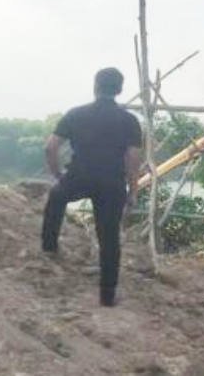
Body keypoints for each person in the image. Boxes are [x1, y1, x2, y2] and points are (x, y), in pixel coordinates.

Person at [41, 68, 142, 307]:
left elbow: (50, 147)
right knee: (109, 237)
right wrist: (133, 191)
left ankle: (49, 249)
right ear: (119, 90)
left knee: (56, 198)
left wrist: (58, 174)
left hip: (79, 175)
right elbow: (133, 159)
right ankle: (107, 297)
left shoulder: (76, 114)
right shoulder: (129, 120)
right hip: (112, 182)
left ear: (95, 87)